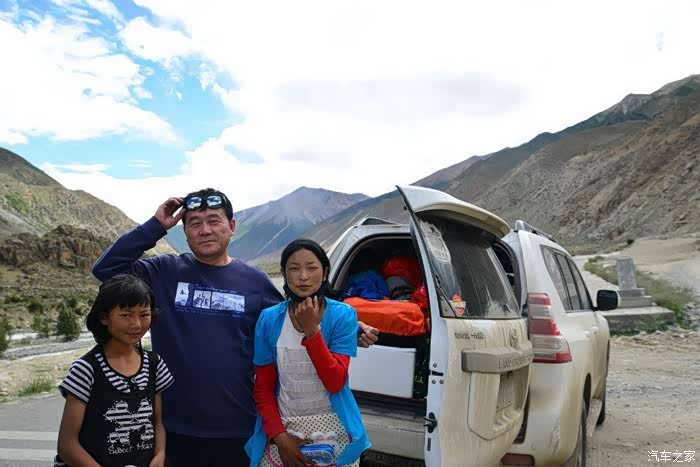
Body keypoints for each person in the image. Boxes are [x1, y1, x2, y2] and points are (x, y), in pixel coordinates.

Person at [91, 188, 378, 467]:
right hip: (173, 427)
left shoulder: (254, 281)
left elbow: (291, 319)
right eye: (195, 223)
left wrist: (347, 325)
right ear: (185, 231)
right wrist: (156, 226)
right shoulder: (162, 271)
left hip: (238, 428)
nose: (205, 230)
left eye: (214, 221)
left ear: (231, 227)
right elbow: (105, 269)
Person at [247, 239, 370, 467]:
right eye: (294, 268)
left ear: (325, 273)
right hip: (284, 427)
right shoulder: (269, 319)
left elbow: (335, 382)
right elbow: (263, 388)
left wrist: (311, 330)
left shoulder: (343, 315)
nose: (303, 277)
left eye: (311, 268)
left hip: (334, 428)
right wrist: (280, 438)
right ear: (284, 274)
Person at [55, 274, 174, 467]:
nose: (137, 324)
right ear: (104, 317)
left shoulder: (155, 365)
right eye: (126, 315)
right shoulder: (86, 370)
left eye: (144, 314)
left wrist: (159, 456)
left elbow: (158, 422)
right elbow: (67, 446)